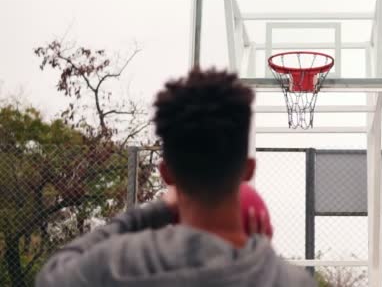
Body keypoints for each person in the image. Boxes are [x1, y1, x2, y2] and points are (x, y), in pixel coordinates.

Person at [36, 68, 316, 287]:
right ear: (248, 169)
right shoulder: (289, 281)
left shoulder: (121, 266)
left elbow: (52, 276)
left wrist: (151, 213)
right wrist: (260, 259)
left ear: (166, 173)